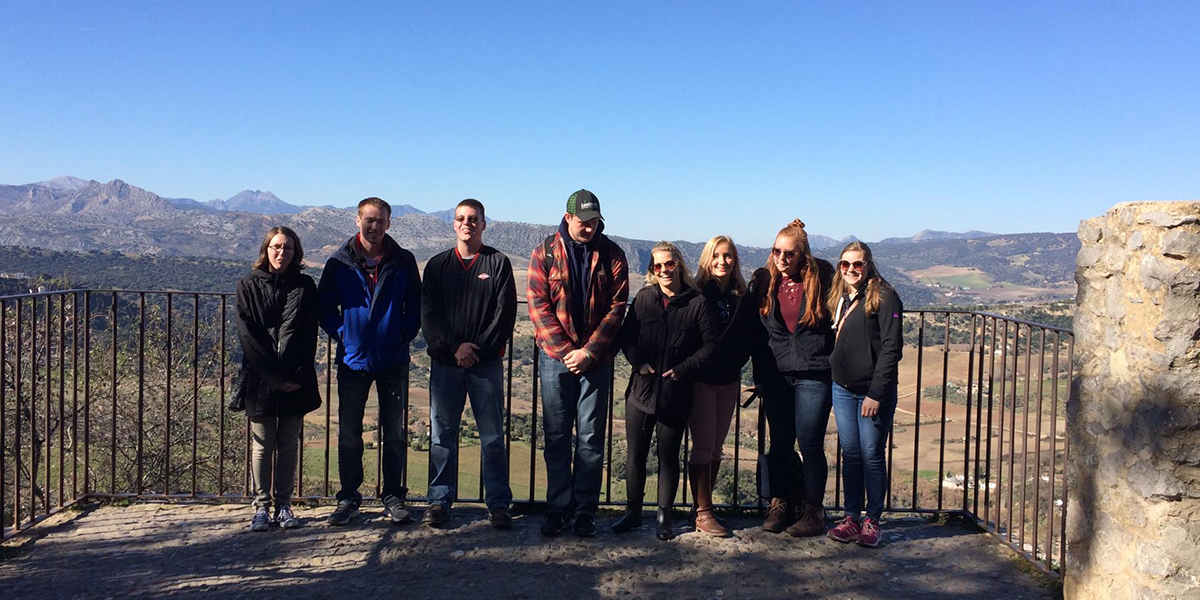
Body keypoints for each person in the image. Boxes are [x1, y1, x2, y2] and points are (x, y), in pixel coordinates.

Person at [527, 189, 629, 537]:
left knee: (590, 436)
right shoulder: (544, 252)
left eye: (595, 222)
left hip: (595, 360)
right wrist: (568, 350)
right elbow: (537, 305)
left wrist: (588, 352)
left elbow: (618, 307)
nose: (589, 228)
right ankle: (558, 507)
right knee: (556, 437)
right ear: (568, 217)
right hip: (557, 358)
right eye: (584, 222)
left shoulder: (613, 254)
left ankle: (585, 508)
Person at [318, 197, 422, 526]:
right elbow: (323, 308)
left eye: (381, 221)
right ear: (358, 221)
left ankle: (393, 496)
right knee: (349, 433)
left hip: (392, 359)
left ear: (389, 224)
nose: (375, 226)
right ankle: (349, 498)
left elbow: (415, 308)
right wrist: (344, 334)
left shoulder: (403, 261)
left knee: (394, 433)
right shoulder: (339, 262)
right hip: (352, 361)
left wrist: (398, 335)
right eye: (369, 220)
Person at [421, 199, 517, 529]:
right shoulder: (436, 266)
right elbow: (429, 317)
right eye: (461, 218)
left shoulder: (499, 263)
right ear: (453, 224)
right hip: (446, 366)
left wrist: (477, 350)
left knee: (492, 436)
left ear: (484, 224)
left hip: (485, 365)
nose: (467, 224)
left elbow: (504, 315)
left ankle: (499, 503)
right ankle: (438, 500)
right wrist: (455, 348)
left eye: (473, 219)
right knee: (442, 435)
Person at [614, 242, 717, 540]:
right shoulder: (644, 298)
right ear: (651, 270)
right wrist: (639, 362)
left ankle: (663, 518)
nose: (664, 270)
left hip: (675, 393)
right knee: (635, 455)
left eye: (669, 264)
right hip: (641, 392)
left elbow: (710, 346)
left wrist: (684, 369)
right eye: (657, 266)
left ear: (679, 265)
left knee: (668, 457)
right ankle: (632, 513)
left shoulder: (696, 303)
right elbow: (627, 337)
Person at [752, 218, 836, 537]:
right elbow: (759, 337)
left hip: (814, 373)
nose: (781, 258)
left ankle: (814, 510)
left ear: (803, 255)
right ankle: (780, 504)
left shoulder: (823, 278)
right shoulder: (765, 282)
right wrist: (760, 376)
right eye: (776, 251)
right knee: (780, 442)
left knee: (810, 443)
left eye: (789, 253)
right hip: (776, 375)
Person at [235, 226, 321, 532]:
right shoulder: (247, 285)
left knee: (288, 444)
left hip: (297, 377)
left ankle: (284, 506)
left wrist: (296, 374)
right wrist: (274, 378)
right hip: (261, 379)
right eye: (276, 247)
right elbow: (249, 337)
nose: (281, 252)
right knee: (261, 444)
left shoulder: (306, 286)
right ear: (265, 250)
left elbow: (310, 333)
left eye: (287, 247)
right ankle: (261, 507)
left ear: (296, 252)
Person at [825, 242, 903, 548]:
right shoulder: (841, 296)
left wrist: (876, 392)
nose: (851, 270)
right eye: (845, 264)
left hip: (872, 393)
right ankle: (851, 517)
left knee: (871, 455)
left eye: (857, 264)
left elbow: (891, 348)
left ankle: (872, 521)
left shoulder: (885, 297)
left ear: (869, 265)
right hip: (842, 389)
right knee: (852, 454)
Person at [689, 235, 756, 536]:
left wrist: (737, 363)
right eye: (716, 255)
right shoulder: (695, 293)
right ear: (707, 258)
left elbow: (747, 337)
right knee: (703, 446)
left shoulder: (741, 295)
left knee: (716, 448)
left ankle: (701, 507)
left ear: (735, 260)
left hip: (729, 380)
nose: (722, 261)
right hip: (701, 380)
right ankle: (703, 513)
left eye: (728, 256)